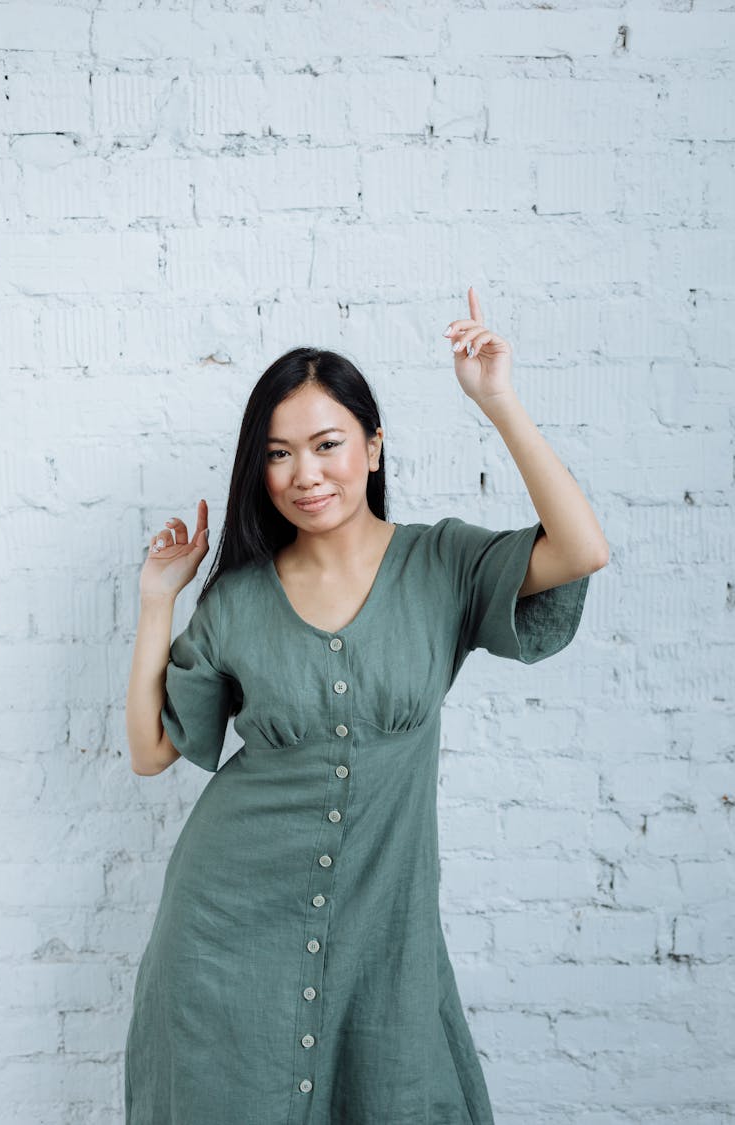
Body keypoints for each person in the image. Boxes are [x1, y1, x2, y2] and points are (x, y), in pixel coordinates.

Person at [124, 286, 609, 1125]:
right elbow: (153, 750)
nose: (305, 474)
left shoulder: (442, 563)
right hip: (224, 929)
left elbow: (580, 549)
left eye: (327, 444)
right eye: (279, 454)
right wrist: (157, 602)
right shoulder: (238, 599)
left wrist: (498, 400)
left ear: (373, 447)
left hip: (384, 938)